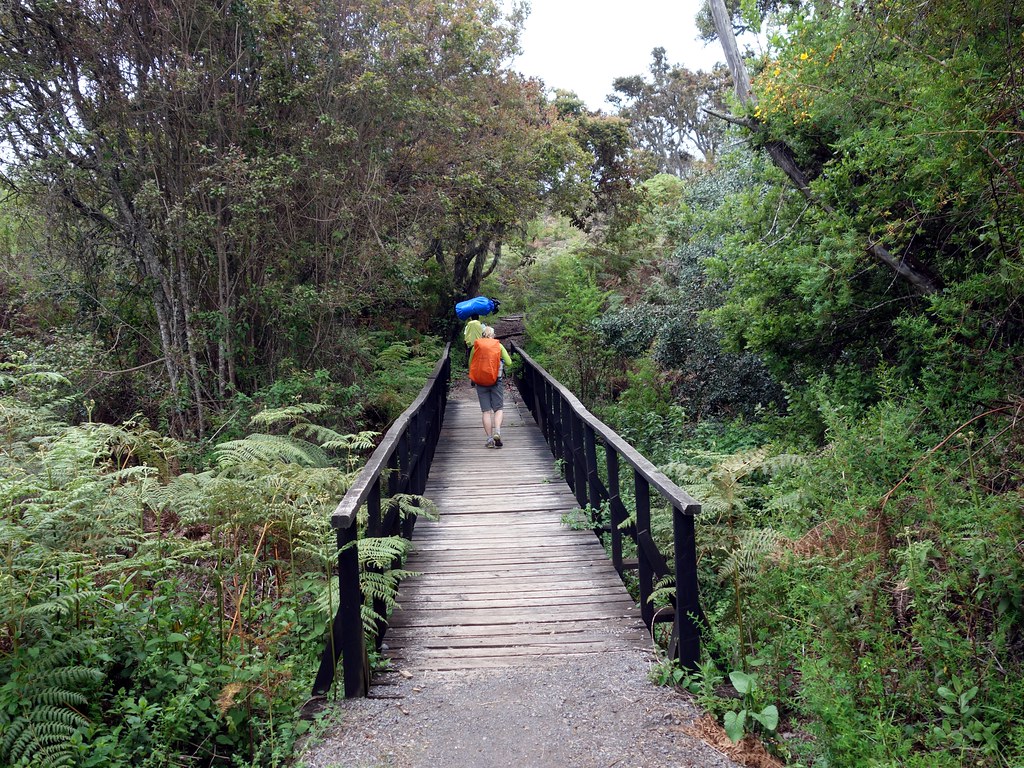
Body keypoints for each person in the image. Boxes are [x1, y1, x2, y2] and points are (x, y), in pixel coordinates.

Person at [468, 326, 512, 448]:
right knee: (498, 409)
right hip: (496, 381)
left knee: (486, 411)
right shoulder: (498, 345)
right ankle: (497, 432)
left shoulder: (476, 346)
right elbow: (509, 362)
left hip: (481, 381)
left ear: (482, 335)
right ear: (493, 335)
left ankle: (489, 439)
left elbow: (471, 363)